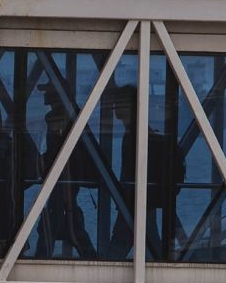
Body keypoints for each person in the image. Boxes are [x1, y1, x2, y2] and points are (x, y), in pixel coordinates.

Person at [35, 81, 97, 259]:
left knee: (53, 231)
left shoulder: (56, 118)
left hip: (62, 188)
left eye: (47, 92)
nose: (44, 96)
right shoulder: (71, 117)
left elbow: (57, 154)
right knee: (74, 231)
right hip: (67, 187)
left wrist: (41, 162)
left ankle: (39, 265)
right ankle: (93, 261)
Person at [106, 85, 169, 260]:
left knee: (122, 241)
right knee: (149, 238)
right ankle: (163, 264)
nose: (114, 109)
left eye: (118, 104)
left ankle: (104, 273)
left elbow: (130, 170)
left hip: (134, 198)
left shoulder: (135, 134)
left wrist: (125, 194)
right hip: (139, 197)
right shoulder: (138, 131)